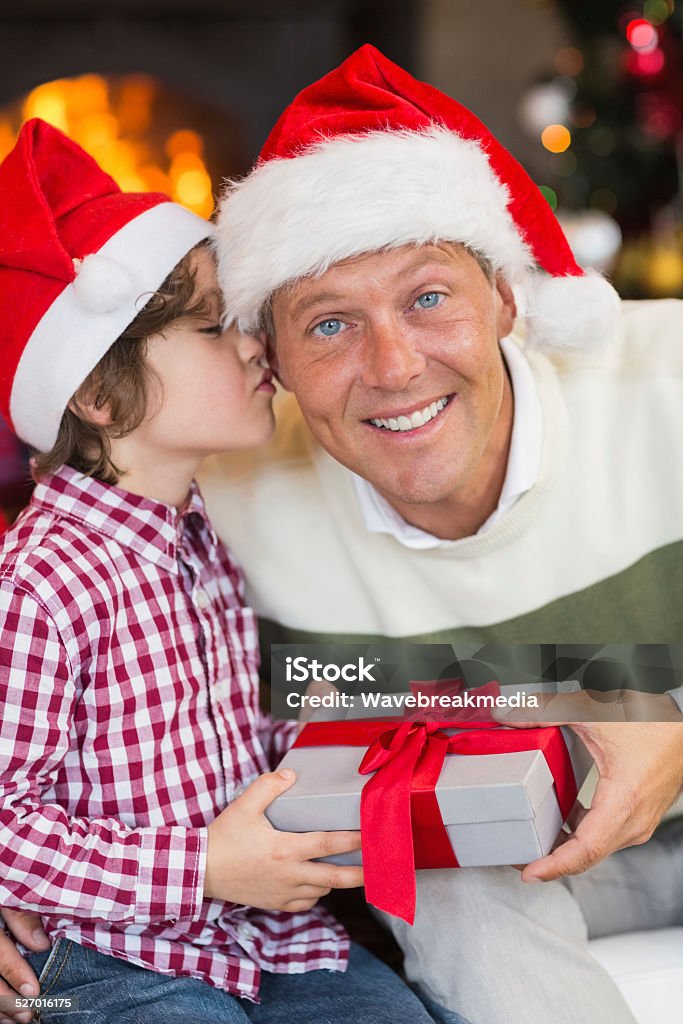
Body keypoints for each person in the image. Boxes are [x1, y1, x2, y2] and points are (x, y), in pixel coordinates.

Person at [2, 47, 682, 1024]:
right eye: (325, 324)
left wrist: (659, 718)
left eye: (427, 295)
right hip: (208, 931)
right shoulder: (212, 492)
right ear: (271, 352)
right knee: (444, 883)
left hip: (273, 931)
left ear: (504, 293)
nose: (394, 365)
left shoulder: (659, 386)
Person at [0, 119, 440, 1024]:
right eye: (213, 329)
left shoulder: (204, 541)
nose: (256, 349)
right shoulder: (42, 583)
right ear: (95, 390)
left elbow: (250, 737)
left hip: (271, 935)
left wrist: (386, 759)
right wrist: (203, 867)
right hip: (118, 955)